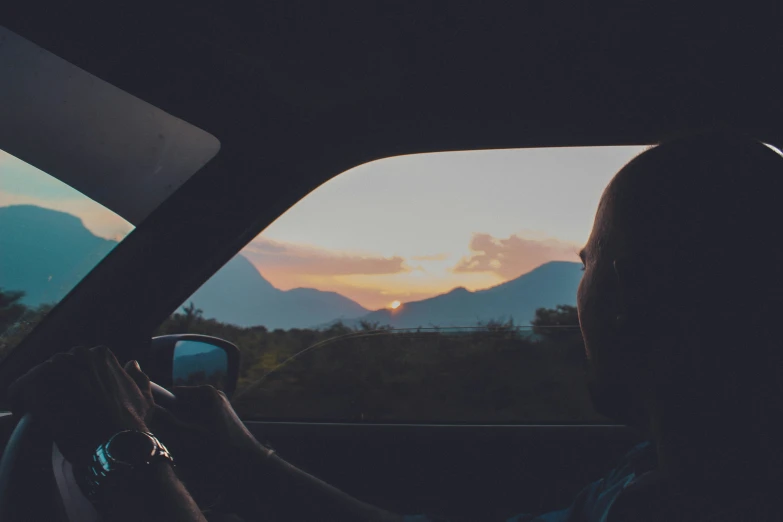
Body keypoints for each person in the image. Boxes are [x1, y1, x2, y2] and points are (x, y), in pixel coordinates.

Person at [10, 131, 783, 521]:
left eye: (588, 261)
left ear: (630, 294)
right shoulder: (670, 470)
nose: (578, 292)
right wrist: (245, 463)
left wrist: (119, 451)